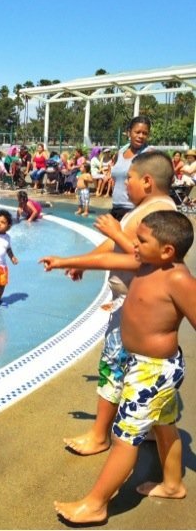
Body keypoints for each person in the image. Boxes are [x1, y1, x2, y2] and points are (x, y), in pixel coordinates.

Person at [44, 211, 195, 525]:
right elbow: (105, 262)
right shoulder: (147, 263)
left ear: (167, 250)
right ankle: (171, 484)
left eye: (141, 240)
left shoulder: (178, 278)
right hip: (141, 365)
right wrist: (63, 261)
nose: (133, 245)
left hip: (154, 372)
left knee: (124, 438)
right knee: (164, 425)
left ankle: (96, 503)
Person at [40, 150, 177, 458]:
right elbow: (116, 243)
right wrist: (83, 262)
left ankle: (100, 435)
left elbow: (136, 257)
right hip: (132, 304)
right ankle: (152, 426)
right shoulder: (146, 209)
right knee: (137, 369)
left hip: (133, 307)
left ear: (146, 181)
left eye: (127, 178)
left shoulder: (157, 215)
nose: (122, 183)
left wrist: (69, 260)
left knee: (113, 367)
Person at [108, 115, 152, 220]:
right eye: (137, 132)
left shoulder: (149, 153)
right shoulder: (121, 152)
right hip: (116, 207)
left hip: (135, 210)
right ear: (129, 132)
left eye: (145, 133)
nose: (141, 136)